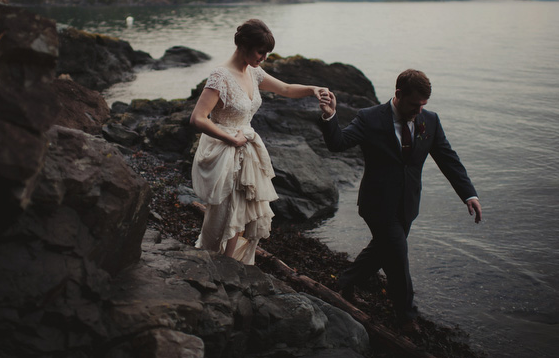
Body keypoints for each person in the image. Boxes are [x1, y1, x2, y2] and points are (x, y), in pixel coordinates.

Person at [317, 69, 482, 332]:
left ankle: (344, 282)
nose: (418, 110)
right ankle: (405, 317)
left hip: (407, 205)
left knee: (382, 251)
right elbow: (339, 143)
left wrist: (469, 194)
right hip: (376, 204)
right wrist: (329, 116)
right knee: (397, 256)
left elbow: (448, 159)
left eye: (423, 105)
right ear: (398, 95)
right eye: (414, 104)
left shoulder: (431, 120)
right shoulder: (370, 118)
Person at [190, 19, 329, 265]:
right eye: (260, 52)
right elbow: (198, 119)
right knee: (226, 213)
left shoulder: (254, 72)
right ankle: (215, 263)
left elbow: (285, 89)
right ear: (242, 44)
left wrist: (313, 89)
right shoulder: (220, 76)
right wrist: (230, 139)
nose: (263, 57)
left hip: (247, 148)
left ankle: (231, 265)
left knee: (242, 212)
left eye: (267, 53)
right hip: (225, 150)